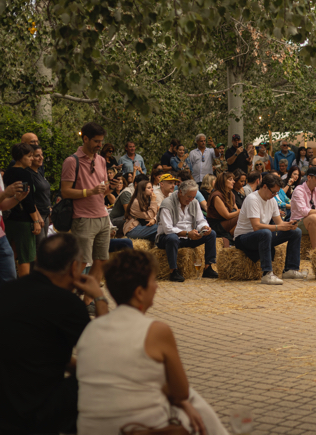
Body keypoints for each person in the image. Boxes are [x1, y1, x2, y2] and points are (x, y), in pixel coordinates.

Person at [76, 249, 227, 434]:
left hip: (90, 428)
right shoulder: (156, 331)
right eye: (153, 281)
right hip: (134, 428)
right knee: (193, 401)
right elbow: (181, 392)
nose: (156, 287)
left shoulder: (91, 329)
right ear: (139, 293)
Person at [0, 233, 108, 433]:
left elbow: (32, 349)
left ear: (38, 260)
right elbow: (104, 354)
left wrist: (69, 363)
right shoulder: (68, 304)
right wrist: (99, 298)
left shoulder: (7, 291)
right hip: (39, 410)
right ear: (74, 267)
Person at [60, 122, 113, 311]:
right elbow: (65, 191)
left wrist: (110, 188)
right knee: (81, 262)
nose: (100, 145)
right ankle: (62, 300)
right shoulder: (71, 161)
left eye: (101, 141)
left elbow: (103, 189)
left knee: (101, 260)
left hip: (103, 217)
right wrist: (89, 191)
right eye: (96, 141)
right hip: (82, 218)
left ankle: (87, 302)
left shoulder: (101, 160)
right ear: (85, 139)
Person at [234, 173, 306, 285]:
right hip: (244, 238)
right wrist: (279, 227)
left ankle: (290, 269)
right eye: (273, 192)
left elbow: (279, 223)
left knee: (295, 232)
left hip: (262, 235)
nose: (274, 195)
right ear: (264, 186)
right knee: (265, 233)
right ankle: (267, 273)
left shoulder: (272, 200)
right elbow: (256, 226)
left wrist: (289, 225)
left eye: (276, 193)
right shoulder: (252, 199)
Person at [155, 179, 217, 281]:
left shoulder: (194, 202)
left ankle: (208, 268)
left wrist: (204, 227)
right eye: (189, 197)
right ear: (180, 192)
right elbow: (168, 229)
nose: (191, 199)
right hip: (167, 238)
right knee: (172, 238)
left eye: (193, 197)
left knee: (211, 234)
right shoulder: (167, 204)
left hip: (188, 237)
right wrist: (187, 233)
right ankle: (173, 271)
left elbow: (200, 220)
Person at [3, 143, 43, 277]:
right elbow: (27, 200)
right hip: (23, 220)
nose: (32, 159)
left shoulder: (8, 172)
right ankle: (24, 287)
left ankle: (11, 284)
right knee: (25, 257)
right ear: (21, 157)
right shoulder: (25, 174)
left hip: (8, 218)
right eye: (29, 156)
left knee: (11, 254)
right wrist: (36, 220)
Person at [207, 171, 240, 246]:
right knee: (242, 215)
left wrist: (240, 211)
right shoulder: (216, 196)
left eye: (233, 179)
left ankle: (233, 237)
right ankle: (232, 237)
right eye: (230, 179)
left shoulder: (230, 194)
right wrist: (242, 211)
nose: (233, 182)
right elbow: (227, 215)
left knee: (243, 215)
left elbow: (235, 209)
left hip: (226, 222)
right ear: (223, 181)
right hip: (216, 225)